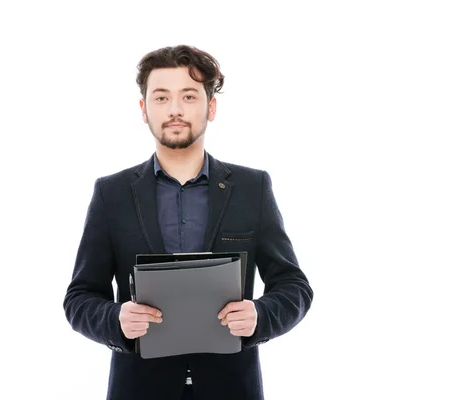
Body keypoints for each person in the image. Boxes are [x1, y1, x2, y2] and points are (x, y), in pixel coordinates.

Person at [63, 44, 313, 400]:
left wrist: (260, 314)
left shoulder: (252, 188)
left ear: (211, 107)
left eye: (189, 97)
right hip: (139, 389)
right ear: (143, 109)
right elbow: (80, 297)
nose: (175, 110)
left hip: (232, 389)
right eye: (161, 98)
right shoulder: (111, 194)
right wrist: (115, 320)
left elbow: (294, 286)